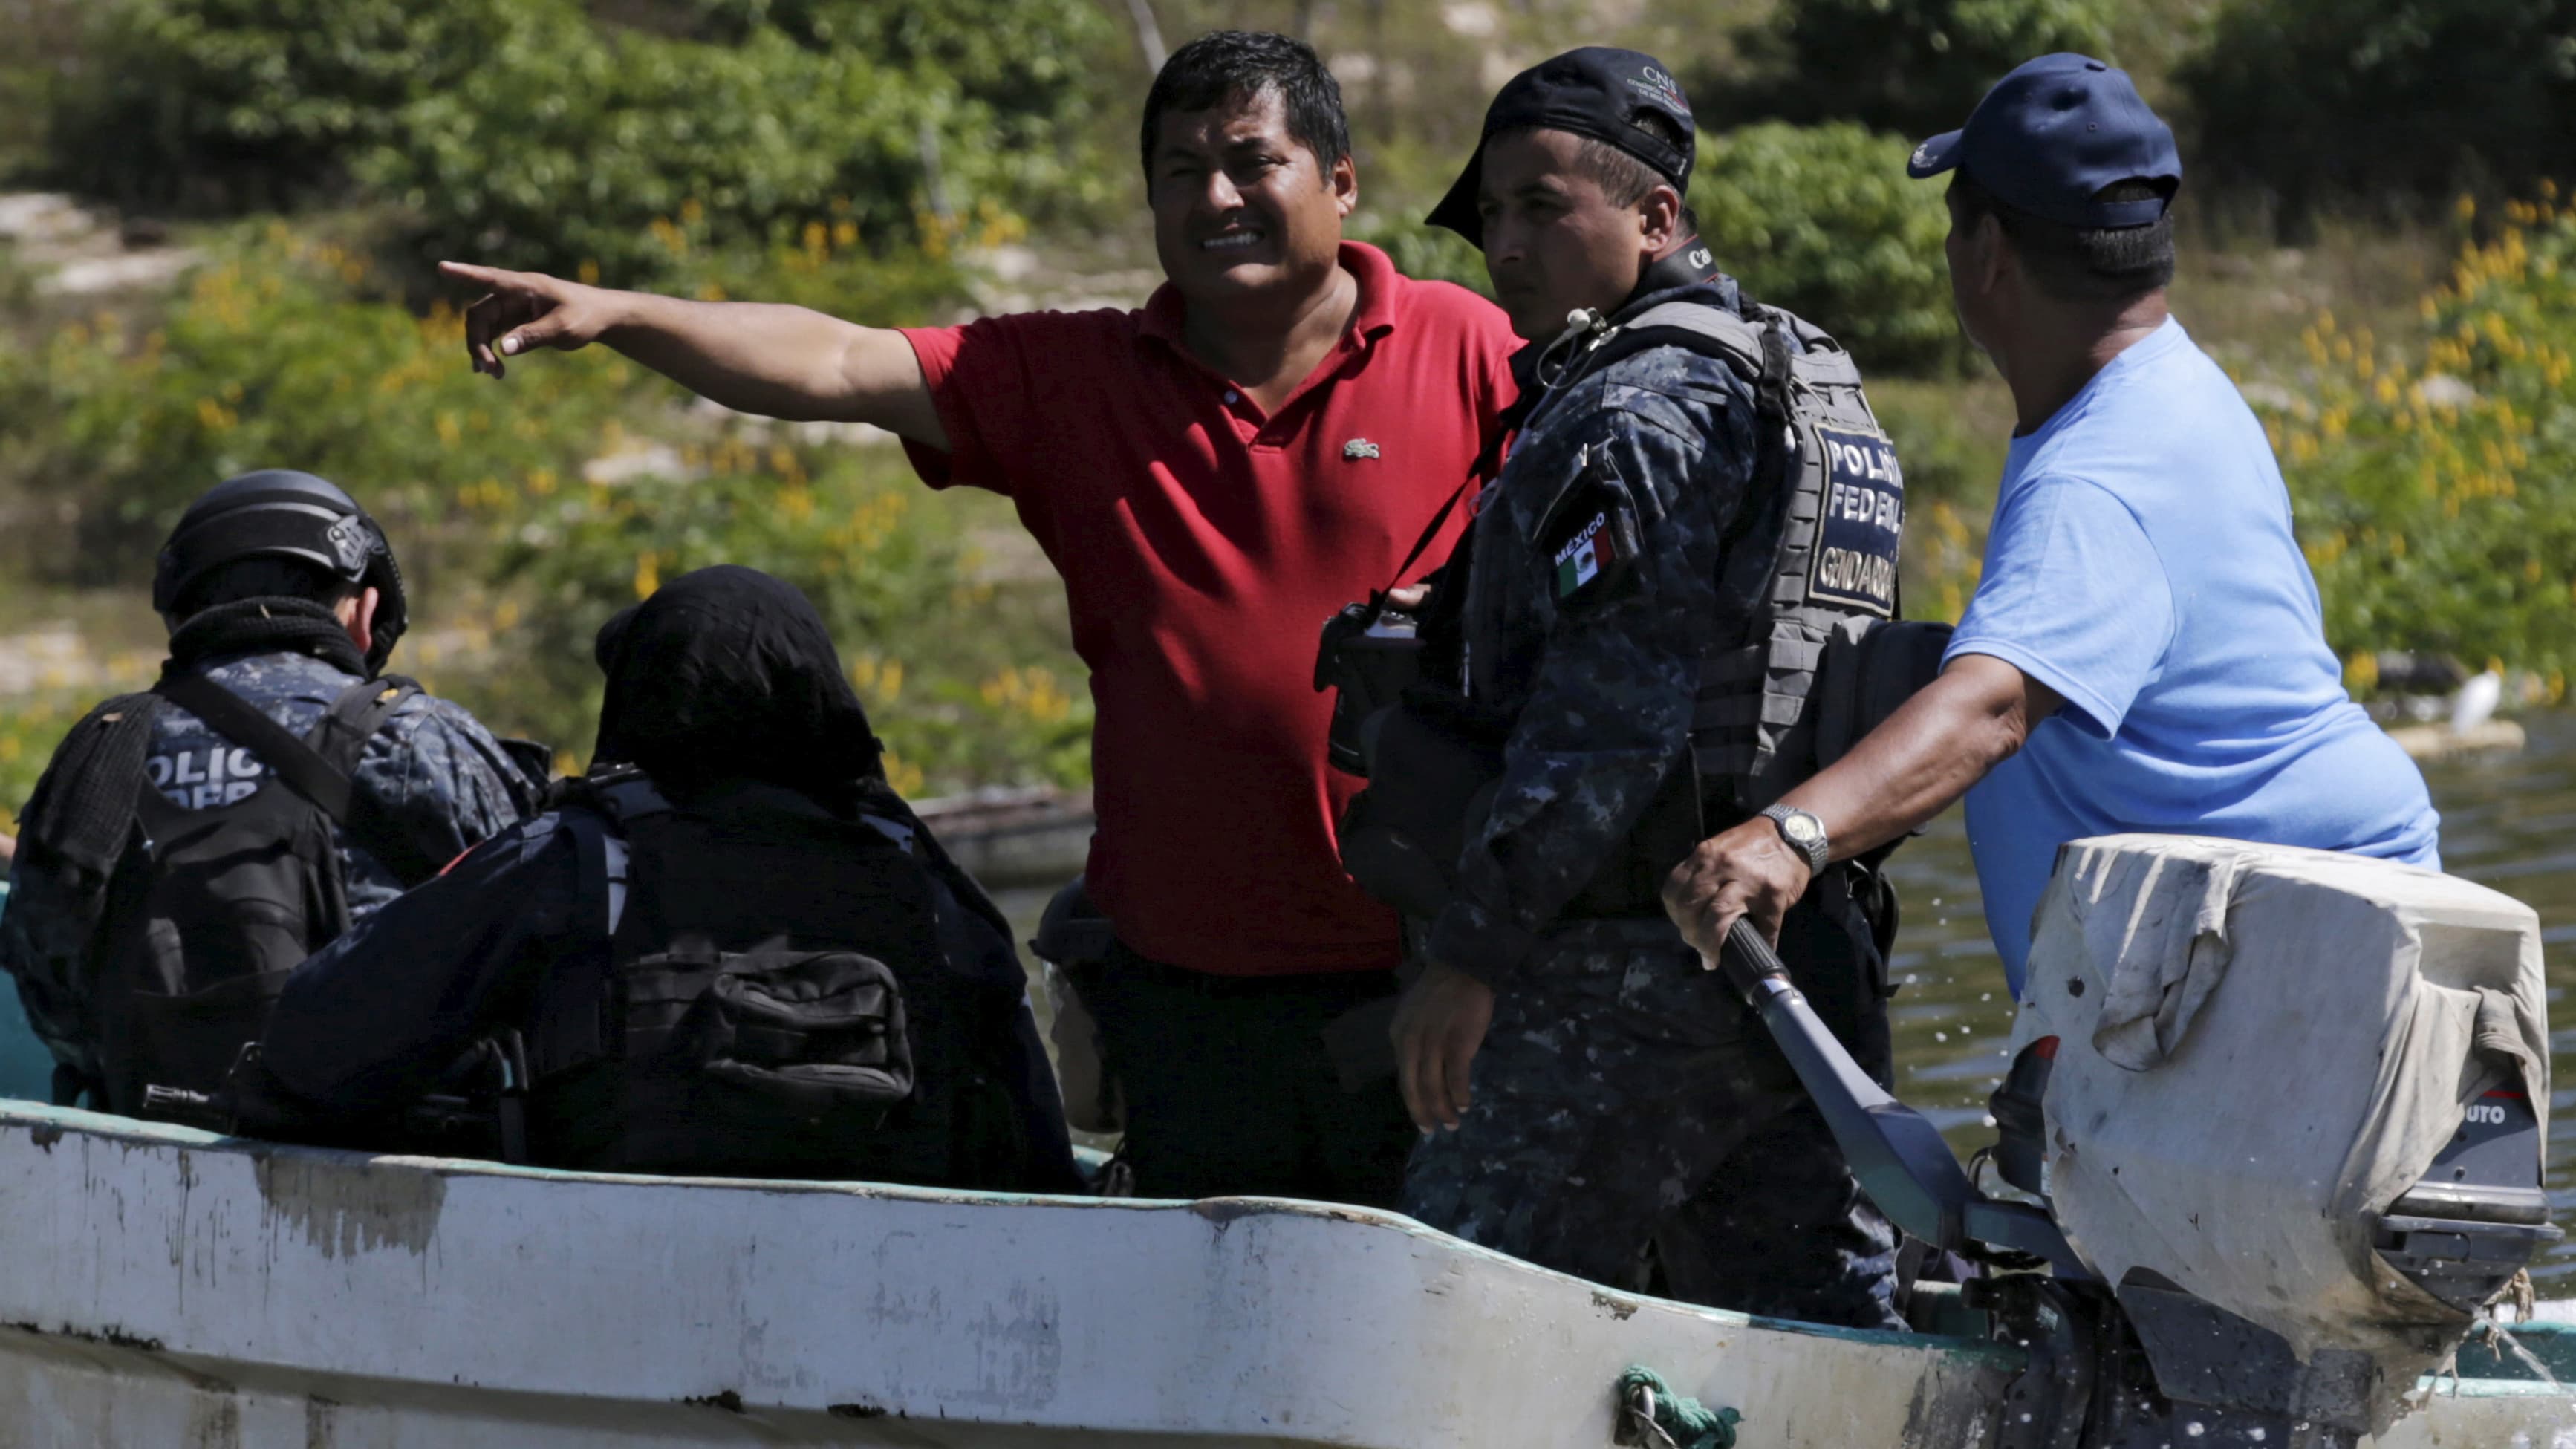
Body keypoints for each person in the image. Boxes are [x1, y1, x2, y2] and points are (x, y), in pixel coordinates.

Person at [435, 32, 1520, 1204]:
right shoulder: (1079, 377)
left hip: (1432, 974)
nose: (1217, 196)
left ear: (1341, 182)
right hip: (1184, 989)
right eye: (1179, 170)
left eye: (1254, 163)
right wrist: (618, 312)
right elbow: (840, 362)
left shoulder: (1475, 348)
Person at [1662, 54, 2441, 995]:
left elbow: (1993, 708)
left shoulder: (2097, 473)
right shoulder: (2174, 383)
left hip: (2303, 956)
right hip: (2306, 921)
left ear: (1988, 250)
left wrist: (1791, 834)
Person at [1374, 49, 1905, 1326]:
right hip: (1792, 961)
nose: (1502, 242)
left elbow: (1610, 717)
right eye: (1489, 214)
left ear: (1654, 217)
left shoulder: (1638, 406)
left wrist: (1473, 951)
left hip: (1623, 972)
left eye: (1540, 207)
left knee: (1438, 1317)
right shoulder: (1792, 368)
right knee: (1807, 1351)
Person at [246, 566, 1083, 1191]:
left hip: (605, 1289)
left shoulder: (575, 857)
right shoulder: (921, 877)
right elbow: (1037, 1151)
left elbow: (316, 1044)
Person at [0, 469, 541, 1116]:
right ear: (364, 613)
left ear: (181, 612)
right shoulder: (416, 735)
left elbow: (46, 977)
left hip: (146, 1158)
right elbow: (541, 947)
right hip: (399, 1169)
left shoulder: (101, 745)